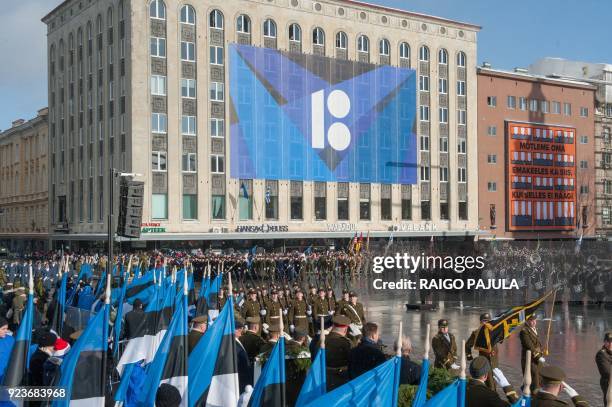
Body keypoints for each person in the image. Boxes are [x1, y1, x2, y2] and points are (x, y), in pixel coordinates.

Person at [319, 315, 353, 391]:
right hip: (340, 378)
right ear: (346, 329)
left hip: (322, 376)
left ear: (333, 326)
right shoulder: (346, 343)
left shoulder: (320, 341)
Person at [466, 313, 499, 391]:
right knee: (490, 385)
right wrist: (470, 357)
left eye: (488, 321)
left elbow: (504, 337)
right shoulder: (476, 333)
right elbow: (467, 345)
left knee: (495, 383)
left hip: (495, 363)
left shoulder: (494, 332)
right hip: (485, 362)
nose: (486, 323)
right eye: (484, 321)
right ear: (480, 322)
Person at [519, 314, 545, 393]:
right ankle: (532, 398)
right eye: (531, 320)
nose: (534, 322)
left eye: (535, 320)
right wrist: (538, 357)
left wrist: (542, 349)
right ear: (527, 321)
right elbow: (529, 346)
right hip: (530, 360)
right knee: (534, 381)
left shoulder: (533, 329)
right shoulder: (524, 331)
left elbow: (536, 343)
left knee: (539, 379)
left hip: (537, 360)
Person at [234, 318, 252, 393]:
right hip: (240, 378)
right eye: (238, 329)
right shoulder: (233, 343)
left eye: (240, 328)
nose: (240, 330)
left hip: (243, 377)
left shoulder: (237, 340)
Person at [595, 332, 611, 406]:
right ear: (604, 341)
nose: (610, 344)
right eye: (608, 341)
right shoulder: (601, 354)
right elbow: (607, 372)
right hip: (608, 384)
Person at [0, 317, 14, 383]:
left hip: (7, 376)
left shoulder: (11, 339)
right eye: (3, 329)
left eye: (6, 328)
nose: (6, 331)